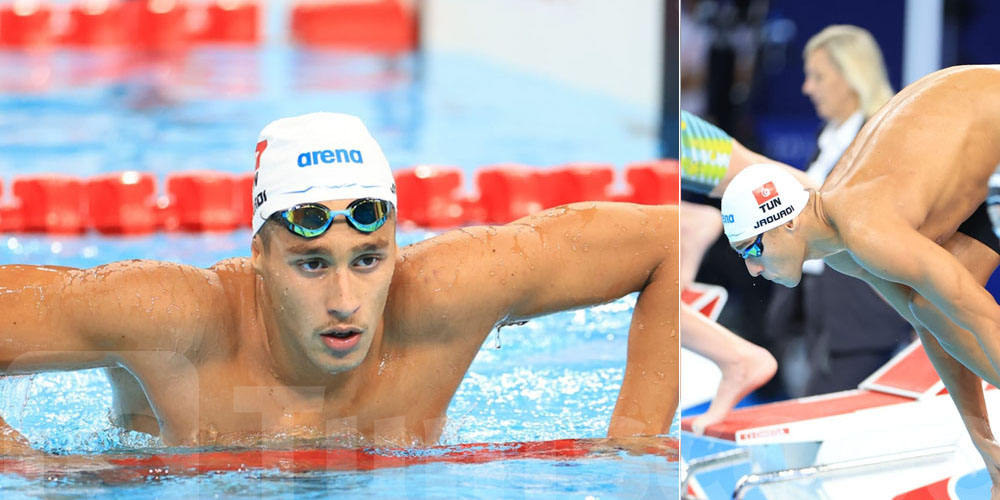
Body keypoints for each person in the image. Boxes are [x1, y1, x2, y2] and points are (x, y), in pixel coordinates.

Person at [0, 113, 678, 452]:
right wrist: (29, 467)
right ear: (261, 255)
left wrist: (634, 447)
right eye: (311, 264)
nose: (346, 302)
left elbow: (668, 238)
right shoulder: (169, 316)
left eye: (368, 258)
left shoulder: (451, 292)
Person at [720, 65, 1000, 493]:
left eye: (752, 250)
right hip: (985, 145)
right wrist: (986, 446)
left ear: (787, 224)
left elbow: (983, 316)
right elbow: (931, 325)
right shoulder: (841, 254)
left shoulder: (867, 232)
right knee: (932, 309)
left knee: (959, 308)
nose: (752, 269)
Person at [765, 25, 911, 397]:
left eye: (817, 76)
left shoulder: (884, 137)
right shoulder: (827, 139)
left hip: (860, 313)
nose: (807, 88)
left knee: (825, 417)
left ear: (851, 77)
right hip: (819, 306)